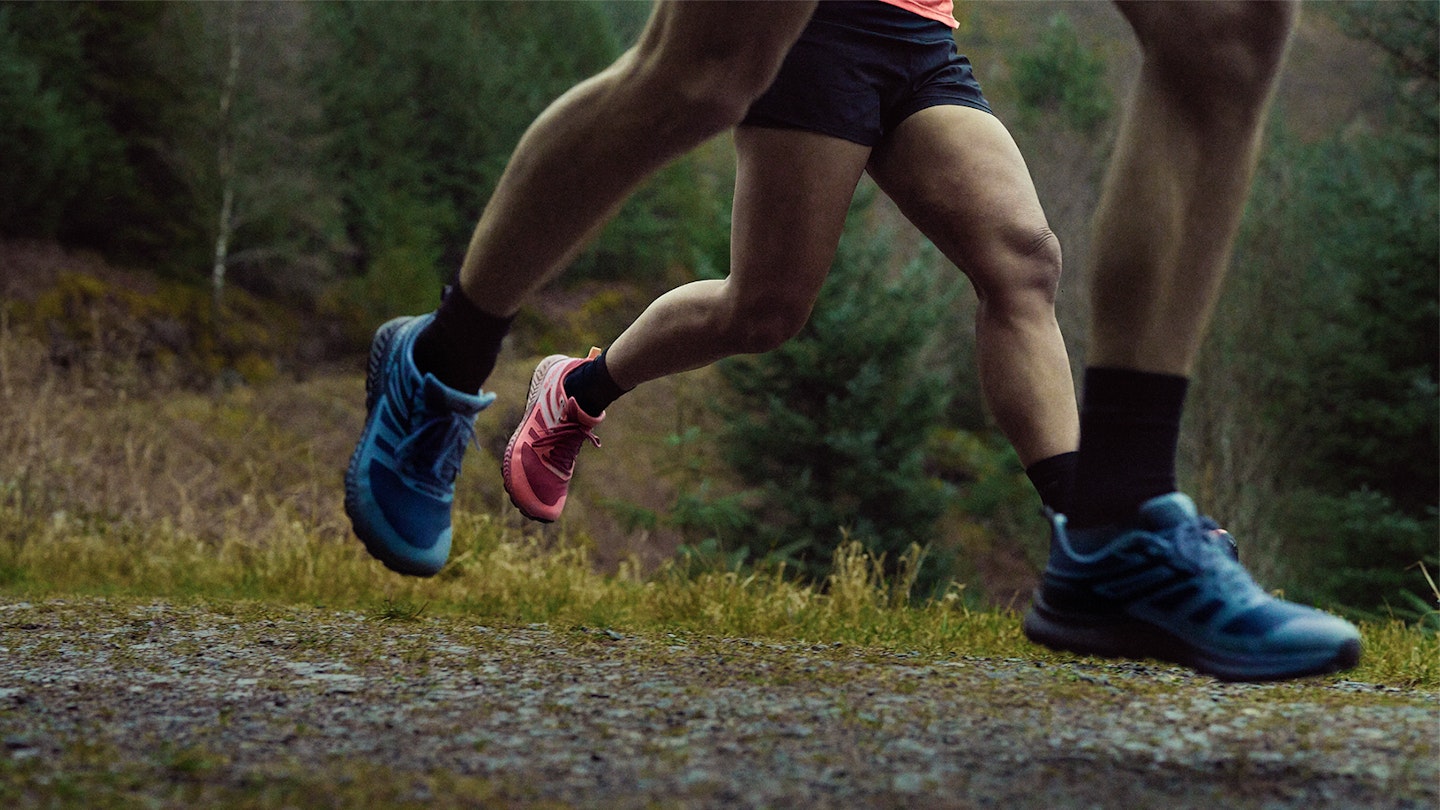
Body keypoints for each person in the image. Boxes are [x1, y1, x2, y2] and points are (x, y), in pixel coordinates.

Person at [346, 0, 1361, 682]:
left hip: (915, 28)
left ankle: (1110, 530)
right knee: (757, 275)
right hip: (814, 29)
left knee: (1029, 252)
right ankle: (463, 365)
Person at [500, 0, 1079, 536]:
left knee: (1025, 264)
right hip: (817, 31)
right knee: (762, 312)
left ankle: (1086, 538)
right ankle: (576, 390)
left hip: (923, 36)